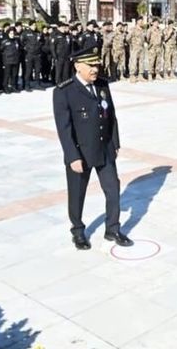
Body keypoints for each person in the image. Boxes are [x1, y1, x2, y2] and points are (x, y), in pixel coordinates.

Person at [52, 39, 132, 250]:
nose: (95, 69)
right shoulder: (64, 91)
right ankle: (78, 231)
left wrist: (114, 142)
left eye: (97, 65)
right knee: (77, 194)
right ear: (78, 66)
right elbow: (64, 129)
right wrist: (72, 157)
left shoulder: (103, 85)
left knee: (113, 189)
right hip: (81, 153)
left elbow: (111, 115)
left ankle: (113, 229)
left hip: (104, 149)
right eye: (91, 66)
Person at [20, 20, 43, 91]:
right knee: (28, 71)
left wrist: (39, 46)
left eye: (35, 25)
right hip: (29, 54)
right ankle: (27, 85)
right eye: (33, 25)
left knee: (37, 70)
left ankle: (37, 84)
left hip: (37, 54)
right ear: (30, 26)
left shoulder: (38, 33)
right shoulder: (25, 33)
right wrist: (26, 48)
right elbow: (21, 42)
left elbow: (42, 42)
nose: (34, 26)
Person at [0, 28, 21, 93]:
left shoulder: (16, 41)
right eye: (11, 33)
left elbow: (19, 49)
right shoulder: (5, 41)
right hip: (7, 61)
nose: (12, 35)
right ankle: (5, 87)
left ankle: (13, 86)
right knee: (7, 75)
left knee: (14, 75)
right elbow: (1, 50)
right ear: (8, 34)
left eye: (13, 33)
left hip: (15, 60)